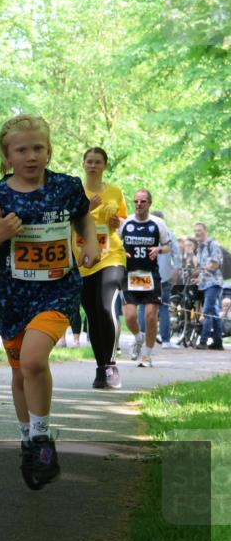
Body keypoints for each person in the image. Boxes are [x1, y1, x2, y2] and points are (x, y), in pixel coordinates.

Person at [0, 114, 98, 491]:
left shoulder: (67, 188)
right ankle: (27, 441)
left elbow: (83, 217)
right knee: (21, 372)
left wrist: (89, 241)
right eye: (21, 149)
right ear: (7, 156)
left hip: (58, 290)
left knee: (34, 360)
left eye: (38, 148)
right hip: (14, 297)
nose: (31, 156)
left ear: (49, 151)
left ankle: (41, 439)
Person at [75, 147, 127, 389]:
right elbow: (65, 222)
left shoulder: (115, 192)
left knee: (106, 306)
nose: (93, 165)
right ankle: (100, 367)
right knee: (92, 313)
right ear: (83, 165)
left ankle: (112, 365)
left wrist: (117, 222)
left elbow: (121, 221)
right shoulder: (75, 192)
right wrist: (86, 207)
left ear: (104, 165)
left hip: (111, 255)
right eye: (89, 161)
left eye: (98, 162)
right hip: (84, 258)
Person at [120, 189, 173, 368]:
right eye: (136, 201)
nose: (139, 204)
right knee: (129, 316)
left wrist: (158, 250)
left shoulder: (158, 224)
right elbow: (115, 244)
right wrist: (121, 252)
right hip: (129, 275)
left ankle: (147, 355)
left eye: (143, 201)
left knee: (151, 316)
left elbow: (168, 247)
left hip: (151, 276)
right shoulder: (125, 223)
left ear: (149, 203)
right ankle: (138, 338)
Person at [137, 210, 178, 348]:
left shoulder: (142, 232)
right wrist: (175, 272)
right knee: (164, 307)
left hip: (144, 274)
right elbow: (176, 255)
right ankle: (166, 341)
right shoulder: (169, 235)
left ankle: (142, 336)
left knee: (143, 305)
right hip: (163, 276)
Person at [193, 222, 225, 350]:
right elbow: (203, 268)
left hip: (213, 283)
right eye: (195, 231)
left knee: (207, 311)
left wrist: (202, 270)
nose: (197, 233)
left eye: (199, 230)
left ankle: (203, 341)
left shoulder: (213, 245)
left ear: (205, 231)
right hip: (205, 284)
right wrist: (198, 278)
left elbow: (215, 265)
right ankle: (218, 342)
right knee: (214, 312)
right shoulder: (199, 248)